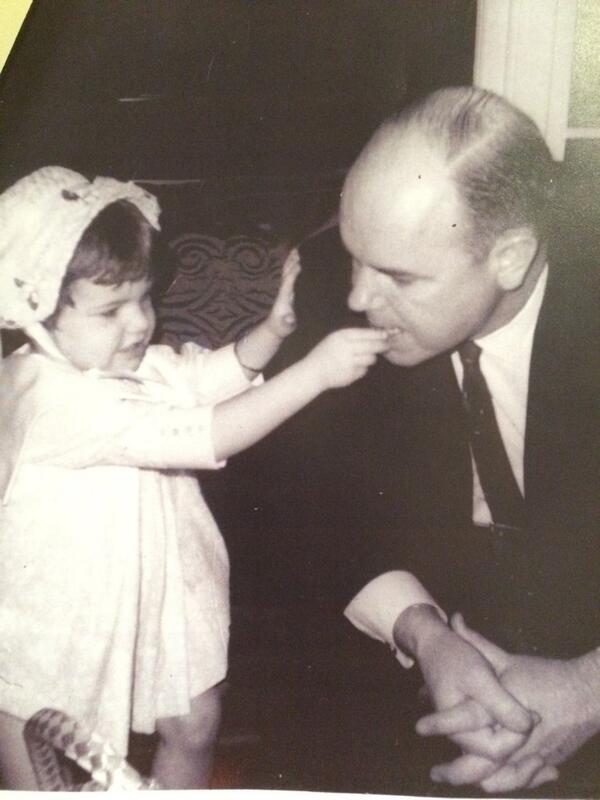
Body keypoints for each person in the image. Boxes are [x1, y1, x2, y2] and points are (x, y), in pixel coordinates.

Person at [0, 165, 388, 790]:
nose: (139, 324)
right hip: (58, 617)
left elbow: (193, 379)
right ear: (35, 312)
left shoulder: (109, 362)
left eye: (145, 298)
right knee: (48, 761)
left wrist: (271, 334)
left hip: (155, 586)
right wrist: (312, 374)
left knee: (196, 720)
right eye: (111, 310)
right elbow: (204, 433)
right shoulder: (48, 398)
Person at [335, 87, 600, 796]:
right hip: (448, 631)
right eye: (352, 257)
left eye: (396, 277)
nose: (359, 298)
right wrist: (423, 635)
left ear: (510, 256)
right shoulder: (364, 296)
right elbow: (311, 504)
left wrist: (586, 689)